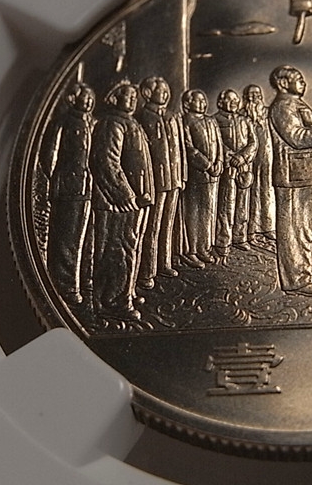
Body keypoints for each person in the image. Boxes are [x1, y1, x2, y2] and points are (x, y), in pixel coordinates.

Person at [268, 65, 312, 295]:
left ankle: (308, 272)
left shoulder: (297, 104)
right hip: (295, 177)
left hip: (310, 173)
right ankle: (297, 280)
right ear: (282, 83)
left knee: (308, 230)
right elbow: (296, 137)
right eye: (298, 79)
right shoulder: (282, 107)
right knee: (295, 230)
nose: (303, 82)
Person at [89, 80, 153, 321]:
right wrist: (124, 195)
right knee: (117, 249)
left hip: (135, 200)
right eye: (128, 95)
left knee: (129, 247)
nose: (133, 99)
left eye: (135, 96)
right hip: (117, 202)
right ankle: (113, 301)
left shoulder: (129, 122)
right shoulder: (111, 124)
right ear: (114, 98)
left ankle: (126, 291)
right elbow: (106, 162)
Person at [40, 82, 95, 305]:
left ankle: (80, 281)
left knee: (81, 238)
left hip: (86, 188)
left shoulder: (90, 123)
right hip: (67, 189)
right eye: (84, 97)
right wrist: (59, 178)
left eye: (90, 98)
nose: (88, 101)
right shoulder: (63, 122)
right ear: (73, 99)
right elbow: (49, 155)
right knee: (66, 240)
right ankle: (64, 286)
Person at [136, 76, 186, 289]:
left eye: (167, 91)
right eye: (161, 91)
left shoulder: (172, 116)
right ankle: (147, 271)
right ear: (147, 93)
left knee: (168, 224)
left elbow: (181, 148)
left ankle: (164, 263)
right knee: (152, 226)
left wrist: (182, 175)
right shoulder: (142, 117)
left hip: (173, 179)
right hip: (154, 181)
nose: (165, 94)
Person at [180, 89, 223, 267]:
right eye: (198, 100)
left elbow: (219, 144)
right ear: (187, 103)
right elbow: (189, 148)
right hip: (196, 175)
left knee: (209, 212)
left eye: (204, 100)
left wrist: (219, 162)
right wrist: (207, 165)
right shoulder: (186, 121)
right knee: (194, 212)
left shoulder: (211, 121)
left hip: (213, 175)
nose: (202, 103)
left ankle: (205, 247)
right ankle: (191, 250)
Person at [213, 88, 256, 260]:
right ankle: (223, 242)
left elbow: (253, 143)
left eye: (236, 100)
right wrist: (231, 157)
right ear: (221, 102)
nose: (234, 103)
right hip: (228, 169)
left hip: (244, 168)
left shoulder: (245, 121)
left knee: (242, 206)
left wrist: (243, 157)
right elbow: (215, 143)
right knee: (226, 206)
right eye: (229, 100)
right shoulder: (215, 120)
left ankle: (240, 238)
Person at [242, 84, 275, 243]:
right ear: (246, 97)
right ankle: (250, 230)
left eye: (257, 94)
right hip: (250, 158)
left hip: (267, 156)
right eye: (251, 94)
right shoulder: (242, 115)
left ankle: (267, 227)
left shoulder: (268, 113)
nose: (255, 97)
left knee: (267, 191)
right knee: (250, 193)